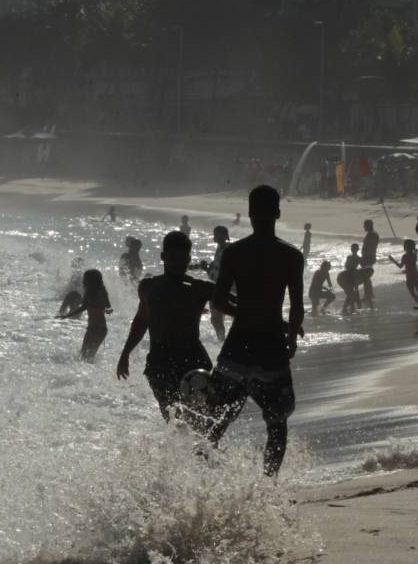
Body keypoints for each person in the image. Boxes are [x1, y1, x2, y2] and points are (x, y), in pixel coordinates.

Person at [204, 185, 304, 477]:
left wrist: (246, 311)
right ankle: (268, 484)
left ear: (249, 213)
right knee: (277, 421)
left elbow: (219, 301)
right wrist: (290, 336)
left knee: (220, 418)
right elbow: (296, 306)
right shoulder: (290, 256)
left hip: (238, 345)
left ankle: (200, 481)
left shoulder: (234, 253)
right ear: (277, 213)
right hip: (271, 345)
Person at [116, 231, 215, 423]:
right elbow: (141, 320)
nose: (178, 263)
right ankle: (179, 452)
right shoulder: (148, 286)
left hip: (193, 360)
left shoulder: (200, 288)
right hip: (160, 363)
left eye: (182, 259)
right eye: (173, 258)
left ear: (188, 259)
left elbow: (238, 307)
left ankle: (204, 452)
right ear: (163, 257)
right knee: (173, 419)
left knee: (200, 419)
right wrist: (125, 353)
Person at [58, 269, 113, 362]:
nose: (84, 280)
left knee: (85, 355)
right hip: (97, 329)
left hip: (96, 328)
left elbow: (106, 306)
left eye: (86, 278)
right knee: (87, 356)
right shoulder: (95, 292)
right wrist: (67, 316)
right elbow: (85, 307)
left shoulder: (95, 292)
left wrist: (67, 315)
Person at [205, 226, 232, 341]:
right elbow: (217, 268)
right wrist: (206, 268)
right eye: (215, 234)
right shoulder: (219, 248)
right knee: (215, 319)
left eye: (217, 234)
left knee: (217, 317)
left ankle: (224, 341)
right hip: (216, 286)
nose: (215, 237)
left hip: (226, 288)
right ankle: (222, 340)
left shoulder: (229, 249)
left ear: (225, 236)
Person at [388, 239, 418, 307]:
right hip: (413, 276)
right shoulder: (412, 255)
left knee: (416, 292)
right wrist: (393, 260)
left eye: (406, 246)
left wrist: (393, 260)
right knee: (417, 292)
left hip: (412, 276)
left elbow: (402, 266)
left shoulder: (407, 256)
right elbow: (404, 266)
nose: (405, 247)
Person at [360, 220, 380, 310]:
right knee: (366, 276)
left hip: (368, 257)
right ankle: (369, 294)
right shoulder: (372, 234)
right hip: (369, 257)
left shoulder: (372, 234)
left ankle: (368, 295)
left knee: (365, 276)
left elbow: (370, 247)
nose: (364, 227)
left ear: (369, 225)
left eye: (365, 226)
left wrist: (364, 258)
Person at [338, 243, 362, 315]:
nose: (353, 250)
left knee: (353, 294)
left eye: (355, 248)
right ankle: (347, 309)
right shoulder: (350, 257)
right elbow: (346, 266)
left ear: (357, 249)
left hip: (353, 276)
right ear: (351, 249)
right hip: (347, 276)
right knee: (351, 295)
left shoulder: (358, 258)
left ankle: (349, 309)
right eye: (352, 248)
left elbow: (362, 267)